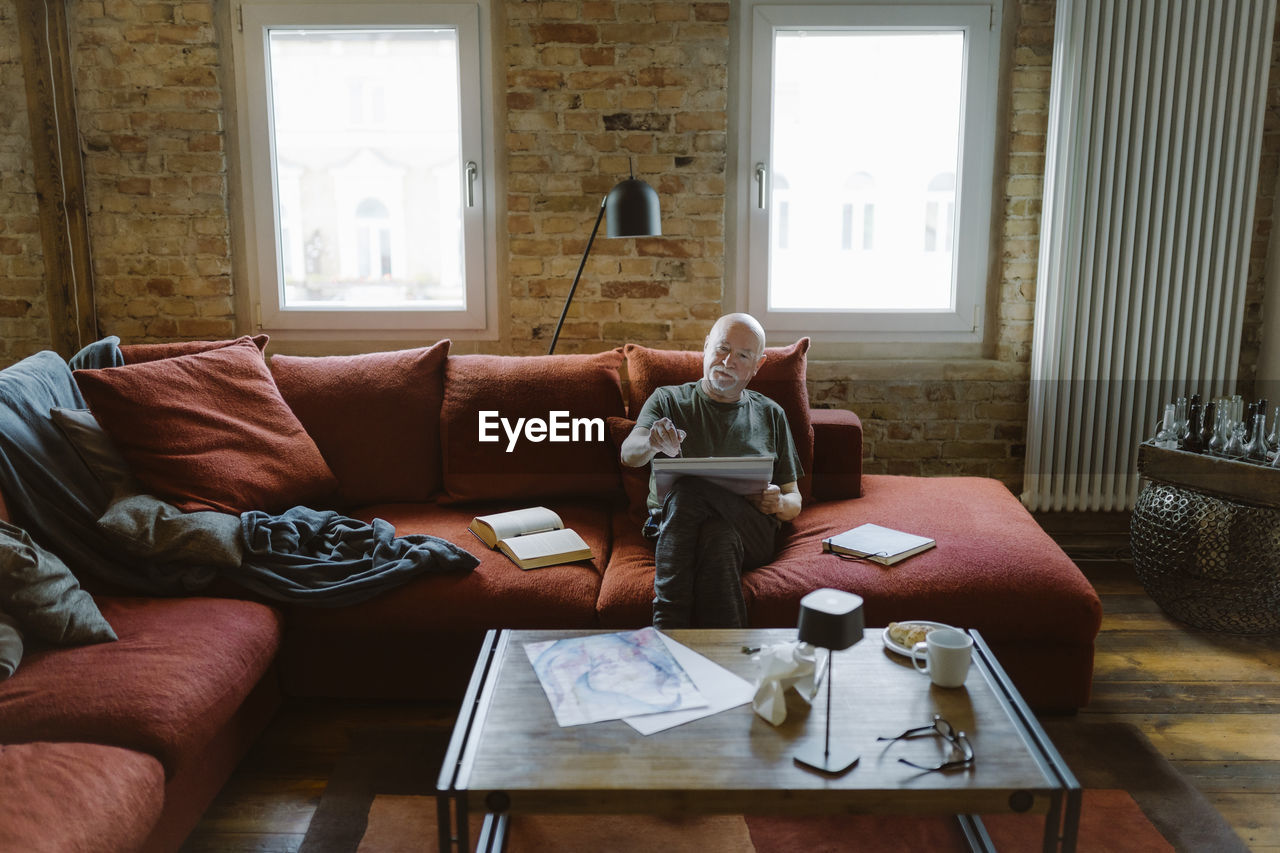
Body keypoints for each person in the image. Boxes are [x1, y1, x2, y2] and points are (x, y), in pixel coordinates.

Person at [620, 313, 802, 629]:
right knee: (717, 536)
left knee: (689, 489)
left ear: (758, 365)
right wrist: (651, 441)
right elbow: (628, 455)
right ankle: (730, 654)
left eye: (743, 356)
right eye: (722, 348)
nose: (728, 361)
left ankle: (667, 623)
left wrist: (778, 503)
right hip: (674, 529)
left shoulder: (770, 413)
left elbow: (793, 499)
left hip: (752, 530)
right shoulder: (668, 399)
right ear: (706, 347)